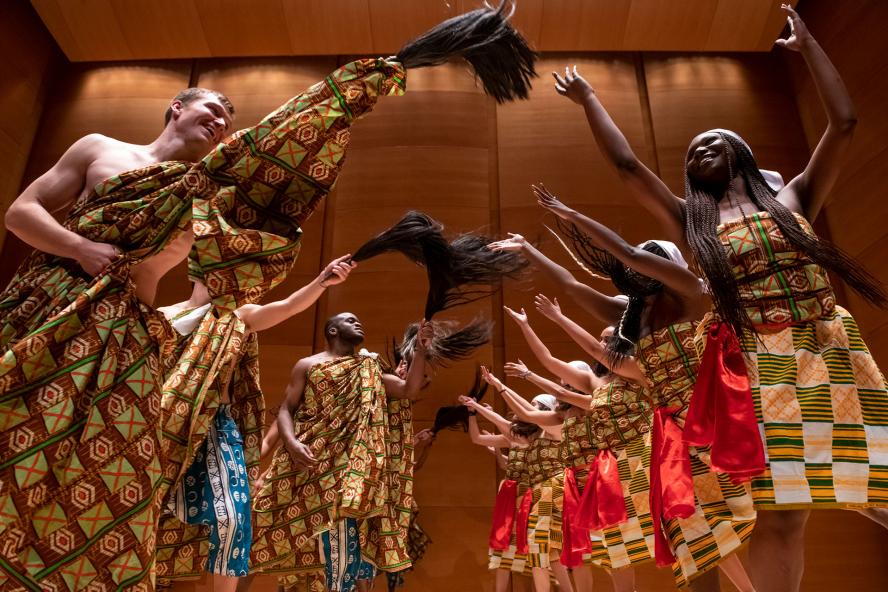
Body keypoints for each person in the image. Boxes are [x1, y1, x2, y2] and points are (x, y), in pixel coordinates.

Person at [551, 5, 888, 591]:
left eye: (711, 141)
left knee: (877, 480)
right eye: (689, 152)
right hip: (754, 365)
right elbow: (629, 168)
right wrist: (587, 101)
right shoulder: (690, 223)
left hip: (827, 349)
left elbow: (846, 122)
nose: (698, 150)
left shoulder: (794, 199)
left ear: (742, 153)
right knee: (784, 513)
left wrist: (808, 46)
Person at [533, 188, 755, 591]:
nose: (639, 266)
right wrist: (529, 252)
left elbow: (628, 255)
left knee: (764, 496)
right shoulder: (632, 318)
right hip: (677, 434)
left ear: (666, 263)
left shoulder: (690, 292)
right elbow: (570, 287)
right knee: (699, 525)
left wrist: (570, 213)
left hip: (719, 408)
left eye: (650, 257)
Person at [153, 255, 355, 590]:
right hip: (165, 427)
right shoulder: (163, 317)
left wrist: (322, 280)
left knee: (233, 515)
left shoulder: (238, 316)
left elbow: (288, 306)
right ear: (200, 271)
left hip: (217, 426)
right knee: (150, 516)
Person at [247, 313, 431, 592]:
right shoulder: (307, 365)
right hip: (304, 465)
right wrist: (294, 444)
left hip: (346, 477)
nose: (359, 322)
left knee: (343, 548)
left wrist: (421, 349)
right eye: (350, 320)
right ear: (332, 329)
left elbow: (408, 389)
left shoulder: (368, 368)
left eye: (360, 320)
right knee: (258, 531)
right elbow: (287, 408)